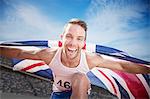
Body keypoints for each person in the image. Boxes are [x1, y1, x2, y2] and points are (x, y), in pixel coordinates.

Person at [0, 18, 150, 99]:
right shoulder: (50, 54)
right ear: (62, 38)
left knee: (79, 77)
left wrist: (147, 69)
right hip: (57, 94)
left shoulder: (91, 59)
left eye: (79, 39)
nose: (73, 43)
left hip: (80, 92)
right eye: (69, 37)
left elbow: (123, 66)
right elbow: (19, 53)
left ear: (83, 42)